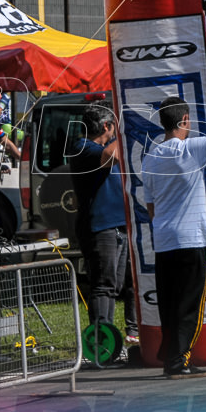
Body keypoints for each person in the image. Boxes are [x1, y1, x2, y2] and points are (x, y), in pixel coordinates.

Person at [141, 85, 206, 379]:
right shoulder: (189, 149)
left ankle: (170, 356)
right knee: (190, 305)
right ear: (185, 120)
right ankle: (179, 360)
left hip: (164, 240)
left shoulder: (150, 158)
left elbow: (150, 207)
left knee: (171, 304)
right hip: (191, 239)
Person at [69, 101, 130, 360]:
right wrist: (125, 132)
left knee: (127, 285)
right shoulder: (82, 147)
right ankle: (101, 341)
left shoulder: (105, 146)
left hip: (120, 225)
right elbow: (111, 157)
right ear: (107, 126)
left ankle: (132, 334)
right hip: (100, 227)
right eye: (114, 126)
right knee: (104, 285)